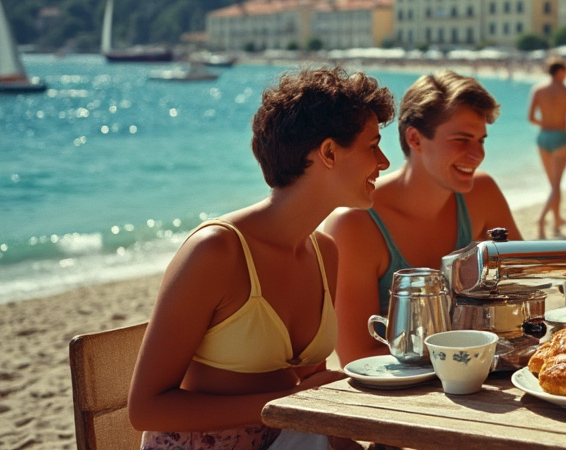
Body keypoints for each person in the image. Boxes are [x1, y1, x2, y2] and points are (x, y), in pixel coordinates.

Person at [128, 68, 394, 449]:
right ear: (329, 152)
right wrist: (292, 402)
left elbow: (307, 389)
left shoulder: (325, 252)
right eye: (373, 145)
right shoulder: (216, 251)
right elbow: (146, 410)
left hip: (287, 438)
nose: (383, 162)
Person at [325, 71, 524, 365]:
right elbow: (357, 356)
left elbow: (521, 291)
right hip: (401, 400)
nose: (477, 154)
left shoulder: (483, 195)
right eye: (461, 140)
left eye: (481, 140)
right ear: (415, 138)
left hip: (477, 380)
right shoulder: (354, 224)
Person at [528, 56, 566, 238]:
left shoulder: (538, 90)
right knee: (556, 184)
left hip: (543, 137)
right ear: (560, 71)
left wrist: (544, 122)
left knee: (553, 184)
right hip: (560, 137)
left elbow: (531, 117)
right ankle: (541, 218)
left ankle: (556, 222)